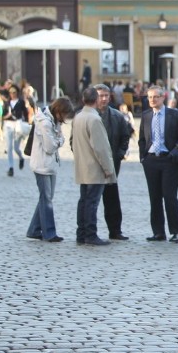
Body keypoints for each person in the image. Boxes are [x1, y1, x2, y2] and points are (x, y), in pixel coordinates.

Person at [139, 85, 178, 243]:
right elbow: (142, 139)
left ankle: (176, 232)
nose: (153, 100)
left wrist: (175, 154)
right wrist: (143, 157)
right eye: (150, 97)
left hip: (169, 160)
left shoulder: (175, 115)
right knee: (154, 198)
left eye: (156, 97)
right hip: (151, 160)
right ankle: (158, 232)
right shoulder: (146, 116)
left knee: (170, 197)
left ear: (163, 97)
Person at [71, 87, 116, 246]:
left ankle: (81, 233)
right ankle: (90, 234)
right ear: (96, 100)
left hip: (82, 165)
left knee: (83, 201)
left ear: (83, 100)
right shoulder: (95, 119)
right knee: (91, 202)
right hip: (94, 168)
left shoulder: (78, 117)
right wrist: (108, 169)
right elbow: (101, 148)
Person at [26, 96, 74, 242]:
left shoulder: (54, 121)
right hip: (41, 164)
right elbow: (50, 146)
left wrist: (58, 139)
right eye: (65, 114)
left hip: (49, 164)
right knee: (46, 199)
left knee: (46, 197)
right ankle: (49, 233)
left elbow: (59, 139)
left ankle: (34, 230)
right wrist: (59, 140)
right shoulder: (45, 122)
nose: (65, 118)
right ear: (58, 111)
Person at [92, 84, 133, 241]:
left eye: (106, 96)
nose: (103, 99)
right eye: (100, 95)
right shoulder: (87, 116)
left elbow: (125, 137)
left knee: (112, 199)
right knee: (90, 199)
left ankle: (115, 230)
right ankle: (87, 231)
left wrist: (120, 154)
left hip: (112, 164)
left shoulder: (117, 116)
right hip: (93, 165)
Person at [3, 86, 29, 176]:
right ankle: (11, 167)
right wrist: (7, 115)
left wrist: (26, 124)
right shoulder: (7, 103)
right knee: (9, 147)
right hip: (9, 125)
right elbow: (2, 115)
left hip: (18, 125)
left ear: (17, 92)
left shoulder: (21, 102)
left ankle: (21, 158)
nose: (12, 94)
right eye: (11, 92)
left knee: (16, 148)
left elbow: (25, 113)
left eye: (14, 92)